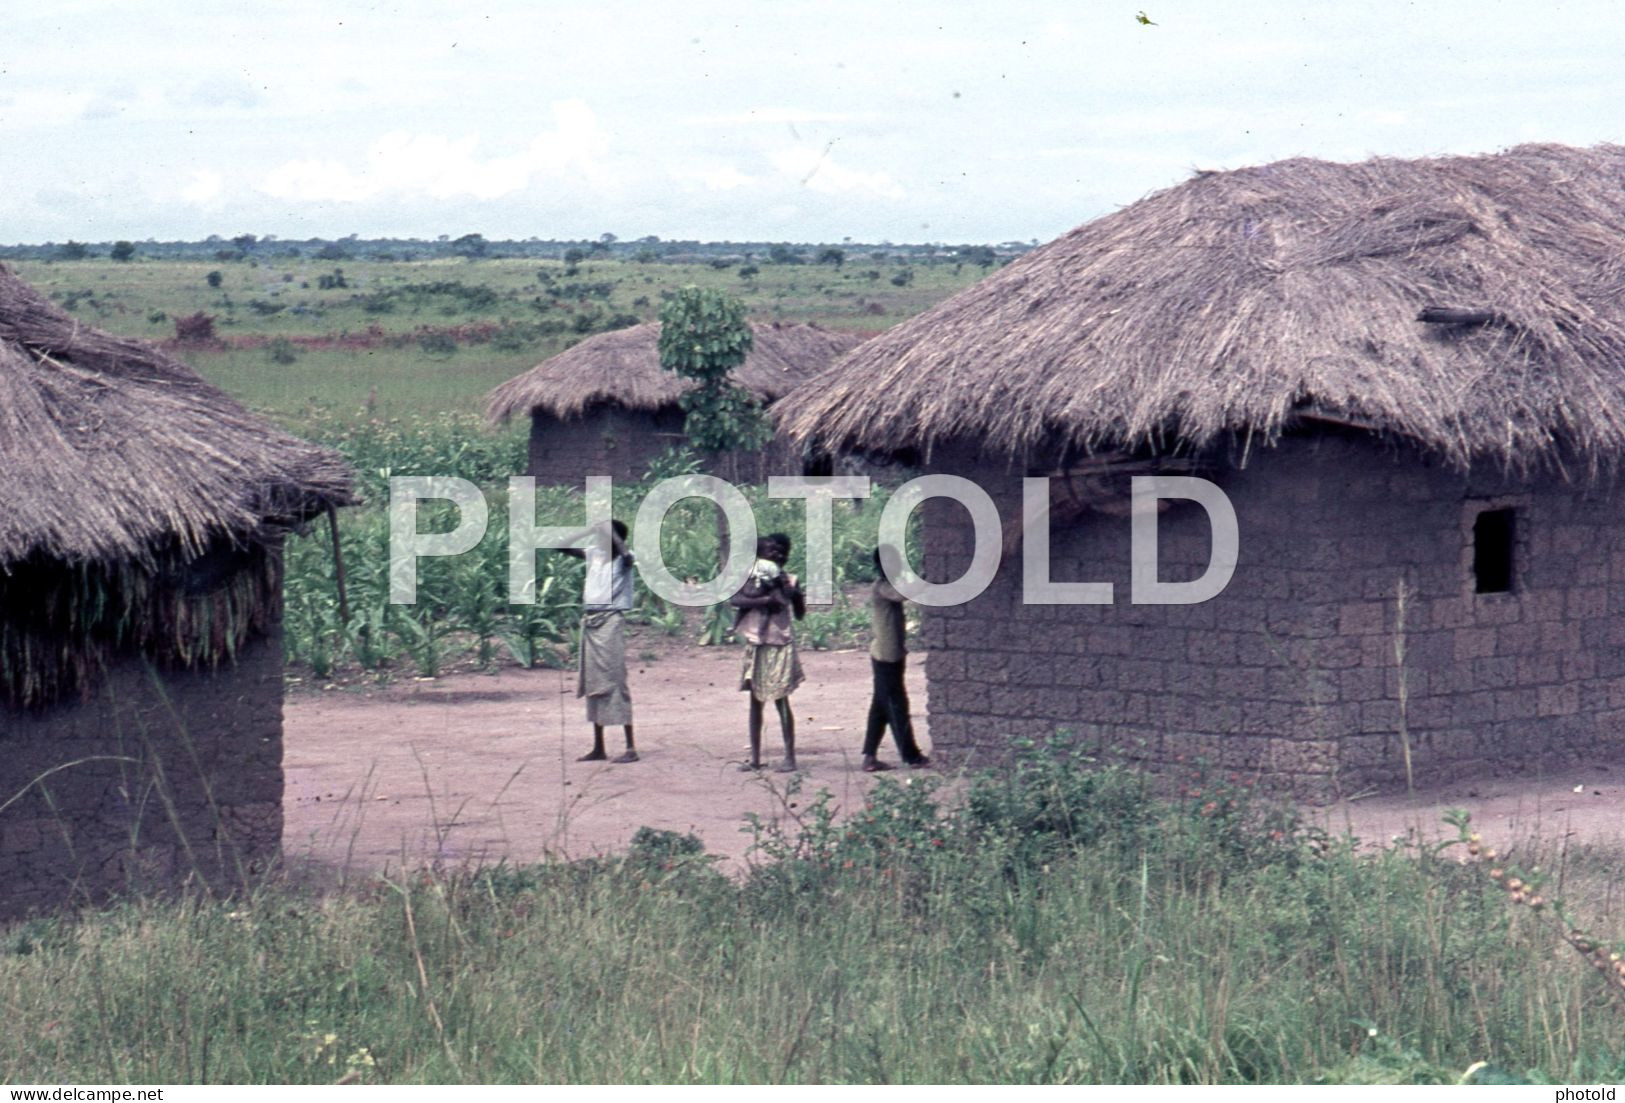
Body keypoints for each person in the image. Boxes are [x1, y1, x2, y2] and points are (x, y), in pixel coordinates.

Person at [553, 519, 638, 763]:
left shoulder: (625, 559)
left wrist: (613, 534)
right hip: (591, 622)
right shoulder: (595, 555)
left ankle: (630, 747)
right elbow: (560, 546)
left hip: (611, 621)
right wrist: (589, 529)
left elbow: (626, 555)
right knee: (593, 682)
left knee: (615, 680)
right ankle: (599, 746)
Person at [731, 532, 805, 772]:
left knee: (781, 701)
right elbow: (736, 600)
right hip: (757, 643)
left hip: (779, 644)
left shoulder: (790, 581)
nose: (778, 555)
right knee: (756, 702)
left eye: (782, 552)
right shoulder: (751, 579)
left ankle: (790, 757)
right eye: (772, 551)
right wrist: (765, 599)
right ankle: (754, 758)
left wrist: (795, 595)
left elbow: (800, 613)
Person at [862, 545, 930, 772]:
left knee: (881, 707)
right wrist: (926, 577)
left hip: (888, 654)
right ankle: (911, 756)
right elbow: (904, 594)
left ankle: (869, 757)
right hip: (886, 657)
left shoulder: (886, 585)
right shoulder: (882, 588)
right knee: (896, 707)